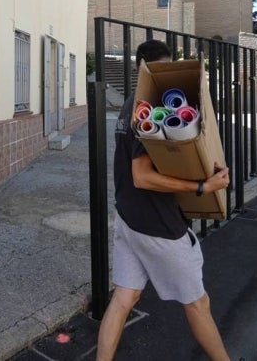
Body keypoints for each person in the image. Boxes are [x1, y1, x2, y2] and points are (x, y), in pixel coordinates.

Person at [96, 39, 233, 361]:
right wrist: (202, 185)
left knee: (123, 299)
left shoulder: (132, 103)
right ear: (152, 69)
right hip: (157, 225)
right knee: (198, 303)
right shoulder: (148, 109)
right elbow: (142, 176)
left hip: (129, 218)